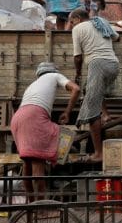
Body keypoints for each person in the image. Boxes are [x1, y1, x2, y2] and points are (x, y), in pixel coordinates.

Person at [10, 62, 80, 201]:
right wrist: (67, 112)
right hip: (34, 118)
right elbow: (76, 89)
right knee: (38, 162)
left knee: (28, 161)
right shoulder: (55, 75)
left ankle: (31, 205)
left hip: (17, 119)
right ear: (52, 70)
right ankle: (41, 207)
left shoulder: (33, 85)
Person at [69, 8, 120, 162]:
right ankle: (106, 114)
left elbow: (77, 57)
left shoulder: (78, 28)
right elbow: (118, 38)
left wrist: (77, 73)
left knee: (91, 110)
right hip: (113, 65)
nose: (71, 25)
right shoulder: (101, 22)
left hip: (97, 65)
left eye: (71, 22)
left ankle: (99, 153)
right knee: (90, 91)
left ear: (77, 19)